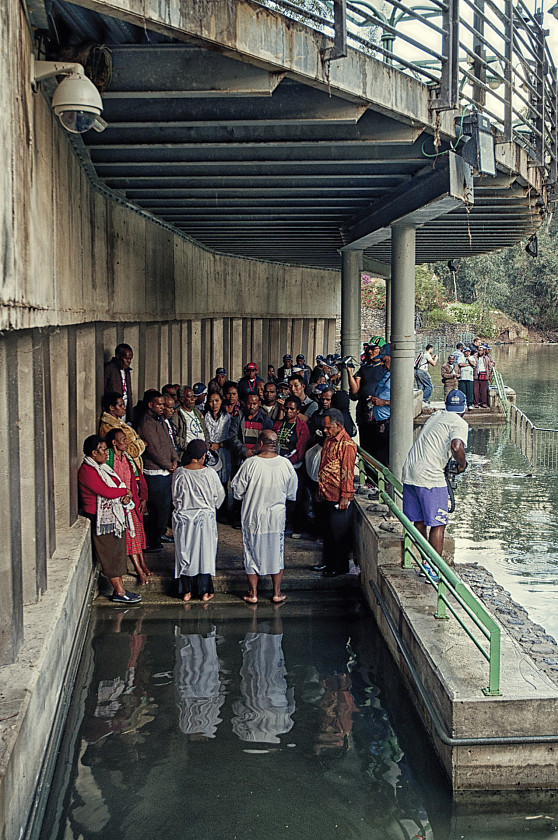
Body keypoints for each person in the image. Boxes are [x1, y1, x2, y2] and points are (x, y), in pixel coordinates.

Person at [231, 430, 298, 604]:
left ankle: (253, 593)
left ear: (260, 443)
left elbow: (237, 492)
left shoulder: (250, 464)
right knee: (276, 553)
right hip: (275, 518)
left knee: (251, 552)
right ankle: (276, 592)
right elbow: (291, 494)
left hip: (253, 517)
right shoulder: (286, 464)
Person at [402, 389, 468, 564]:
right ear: (464, 408)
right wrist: (462, 464)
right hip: (430, 476)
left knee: (419, 521)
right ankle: (434, 567)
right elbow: (456, 446)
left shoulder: (436, 416)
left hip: (410, 470)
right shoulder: (459, 423)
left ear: (446, 405)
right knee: (438, 523)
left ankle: (424, 561)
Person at [78, 435, 141, 604]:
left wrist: (125, 494)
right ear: (94, 453)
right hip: (101, 518)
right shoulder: (87, 470)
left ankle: (120, 589)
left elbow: (116, 485)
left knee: (117, 553)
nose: (107, 453)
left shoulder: (102, 467)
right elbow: (106, 491)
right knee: (110, 555)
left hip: (113, 516)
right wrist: (124, 492)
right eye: (104, 450)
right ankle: (119, 592)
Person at [172, 439, 225, 602]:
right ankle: (204, 591)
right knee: (204, 554)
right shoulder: (210, 473)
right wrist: (210, 506)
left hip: (184, 519)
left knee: (186, 553)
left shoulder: (179, 472)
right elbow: (219, 496)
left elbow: (175, 497)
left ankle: (186, 591)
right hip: (204, 520)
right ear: (203, 456)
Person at [312, 409, 357, 577]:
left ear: (338, 425)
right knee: (328, 533)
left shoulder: (347, 445)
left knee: (339, 534)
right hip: (326, 493)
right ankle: (328, 563)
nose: (325, 431)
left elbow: (347, 472)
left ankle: (339, 567)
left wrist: (345, 496)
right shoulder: (329, 440)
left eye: (328, 427)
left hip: (338, 495)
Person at [105, 429, 152, 585]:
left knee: (137, 534)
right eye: (123, 439)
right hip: (118, 503)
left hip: (131, 502)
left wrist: (143, 498)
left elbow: (139, 478)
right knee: (131, 538)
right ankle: (139, 571)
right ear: (114, 443)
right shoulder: (108, 459)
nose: (126, 442)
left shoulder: (127, 458)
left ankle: (143, 565)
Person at [137, 391, 179, 552]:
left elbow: (169, 442)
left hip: (166, 470)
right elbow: (154, 449)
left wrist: (175, 459)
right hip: (155, 472)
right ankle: (153, 541)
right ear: (150, 405)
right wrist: (168, 464)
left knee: (164, 508)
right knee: (157, 510)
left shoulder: (160, 420)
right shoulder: (146, 423)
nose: (163, 407)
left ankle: (159, 535)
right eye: (159, 404)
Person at [347, 343, 385, 454]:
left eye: (373, 349)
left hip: (380, 415)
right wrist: (349, 373)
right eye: (369, 349)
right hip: (364, 413)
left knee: (380, 448)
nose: (370, 351)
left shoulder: (385, 369)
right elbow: (355, 390)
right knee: (365, 446)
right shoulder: (364, 368)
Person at [98, 391, 146, 471]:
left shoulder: (119, 422)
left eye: (124, 405)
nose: (124, 407)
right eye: (120, 405)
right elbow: (129, 451)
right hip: (123, 467)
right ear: (111, 407)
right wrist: (141, 444)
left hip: (132, 466)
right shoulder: (109, 426)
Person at [204, 390, 232, 520]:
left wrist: (220, 444)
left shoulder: (228, 417)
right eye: (211, 401)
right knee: (209, 481)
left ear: (221, 401)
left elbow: (232, 437)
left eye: (217, 401)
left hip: (223, 451)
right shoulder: (205, 417)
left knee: (222, 481)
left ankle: (222, 512)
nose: (214, 404)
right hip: (208, 452)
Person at [229, 393, 274, 466]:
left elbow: (270, 440)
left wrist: (258, 452)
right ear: (245, 403)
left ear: (259, 403)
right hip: (241, 459)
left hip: (260, 459)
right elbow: (232, 437)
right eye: (249, 404)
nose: (251, 406)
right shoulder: (238, 418)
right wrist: (244, 450)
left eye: (254, 404)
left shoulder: (266, 421)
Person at [172, 386, 209, 459]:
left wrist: (207, 442)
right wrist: (189, 447)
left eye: (194, 396)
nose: (193, 399)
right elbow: (174, 436)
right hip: (188, 453)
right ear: (182, 399)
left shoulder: (196, 411)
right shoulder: (177, 414)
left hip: (202, 452)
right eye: (190, 397)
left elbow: (204, 429)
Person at [103, 344, 134, 423]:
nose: (129, 362)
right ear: (118, 356)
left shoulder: (127, 371)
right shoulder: (109, 369)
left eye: (130, 359)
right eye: (126, 358)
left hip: (124, 408)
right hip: (115, 409)